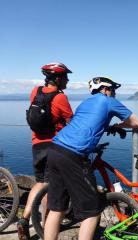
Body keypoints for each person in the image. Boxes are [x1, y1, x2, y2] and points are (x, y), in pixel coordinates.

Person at [44, 77, 138, 240]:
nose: (114, 94)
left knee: (57, 209)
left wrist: (107, 128)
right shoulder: (108, 101)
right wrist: (118, 126)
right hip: (73, 156)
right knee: (92, 213)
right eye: (113, 90)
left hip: (55, 150)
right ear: (104, 89)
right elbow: (137, 122)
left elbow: (84, 125)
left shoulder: (85, 103)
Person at [17, 62, 73, 240]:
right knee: (51, 188)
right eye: (65, 77)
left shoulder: (36, 91)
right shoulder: (60, 98)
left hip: (36, 144)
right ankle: (46, 227)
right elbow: (72, 122)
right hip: (54, 146)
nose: (67, 80)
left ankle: (24, 219)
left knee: (40, 182)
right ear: (57, 79)